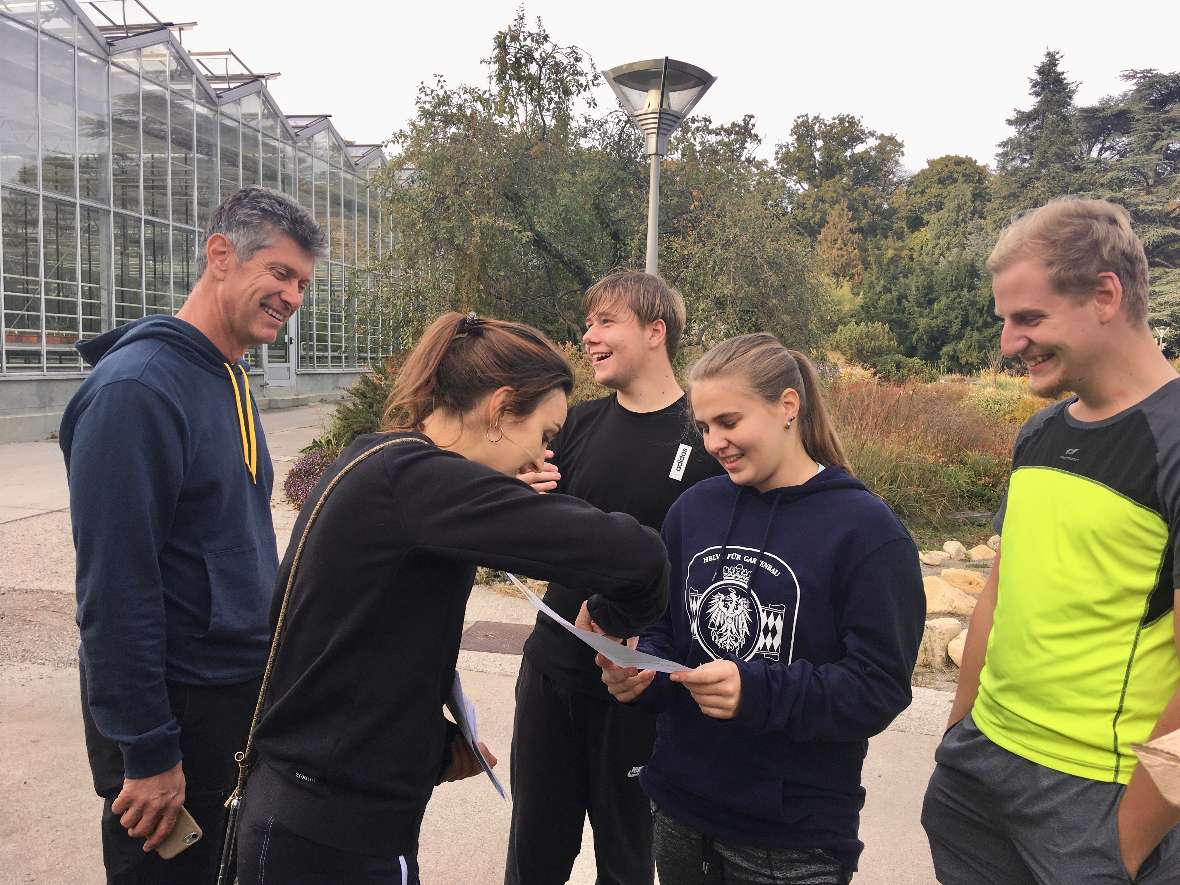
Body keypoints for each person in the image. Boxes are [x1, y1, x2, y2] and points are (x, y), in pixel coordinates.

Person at [233, 310, 670, 885]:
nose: (541, 460)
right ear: (499, 408)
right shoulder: (421, 483)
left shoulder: (383, 462)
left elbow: (352, 649)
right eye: (542, 436)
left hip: (327, 808)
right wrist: (612, 618)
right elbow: (640, 557)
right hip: (328, 829)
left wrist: (435, 747)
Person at [59, 186, 324, 884]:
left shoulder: (226, 374)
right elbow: (114, 590)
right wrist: (146, 750)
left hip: (228, 703)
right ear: (220, 256)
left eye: (301, 282)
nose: (292, 295)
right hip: (173, 714)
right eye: (279, 273)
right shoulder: (138, 390)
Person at [599, 333, 926, 885]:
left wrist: (757, 692)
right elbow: (666, 630)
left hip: (791, 839)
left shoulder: (867, 532)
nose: (715, 443)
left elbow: (878, 689)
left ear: (787, 408)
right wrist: (643, 674)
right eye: (703, 428)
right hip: (679, 810)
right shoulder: (694, 509)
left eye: (728, 421)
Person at [921, 197, 1180, 883]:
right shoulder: (1039, 434)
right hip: (978, 777)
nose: (1009, 342)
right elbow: (999, 596)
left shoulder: (1174, 442)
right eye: (1005, 319)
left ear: (1105, 295)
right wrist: (956, 740)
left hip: (1095, 796)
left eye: (1028, 318)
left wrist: (1123, 848)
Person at [506, 271, 724, 885]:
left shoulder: (705, 436)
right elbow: (533, 547)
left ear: (656, 332)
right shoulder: (573, 426)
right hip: (552, 673)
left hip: (641, 691)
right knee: (533, 854)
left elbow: (712, 571)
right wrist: (520, 502)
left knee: (628, 864)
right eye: (589, 323)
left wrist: (658, 646)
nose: (588, 335)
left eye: (606, 322)